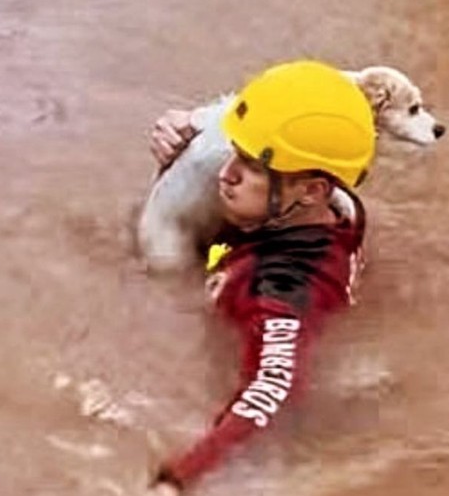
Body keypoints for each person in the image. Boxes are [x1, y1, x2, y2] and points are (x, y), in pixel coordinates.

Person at [143, 61, 376, 494]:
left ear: (311, 191)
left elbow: (273, 388)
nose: (225, 173)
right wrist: (180, 149)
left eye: (250, 166)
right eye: (233, 153)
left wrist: (179, 478)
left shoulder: (280, 289)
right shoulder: (336, 208)